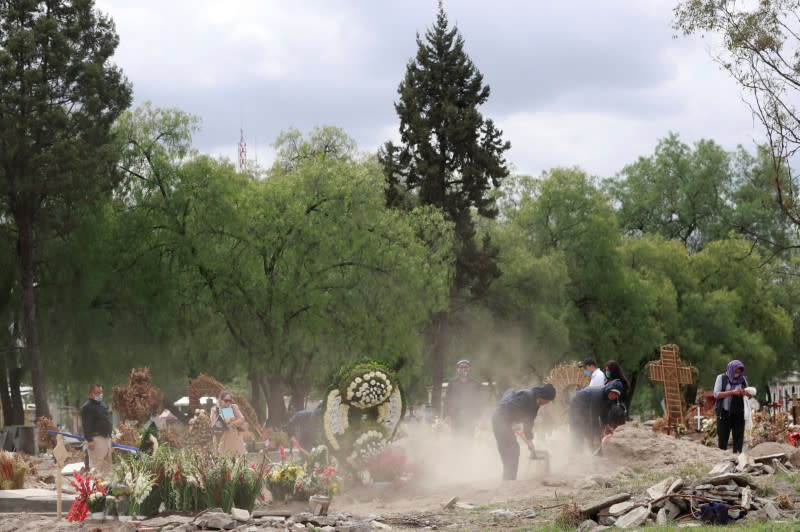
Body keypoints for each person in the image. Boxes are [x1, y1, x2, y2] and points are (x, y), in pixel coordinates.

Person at [491, 383, 556, 481]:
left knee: (511, 449)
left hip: (505, 421)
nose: (547, 403)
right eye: (548, 400)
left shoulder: (536, 403)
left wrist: (529, 440)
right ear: (543, 396)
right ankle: (509, 480)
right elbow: (508, 404)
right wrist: (512, 422)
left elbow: (529, 422)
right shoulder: (527, 396)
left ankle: (508, 478)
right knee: (511, 449)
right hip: (500, 419)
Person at [569, 379, 627, 452]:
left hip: (587, 407)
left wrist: (606, 425)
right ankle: (576, 452)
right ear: (609, 390)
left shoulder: (610, 398)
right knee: (578, 429)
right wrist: (596, 436)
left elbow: (605, 411)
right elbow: (594, 416)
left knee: (589, 429)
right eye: (613, 392)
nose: (614, 396)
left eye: (616, 394)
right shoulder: (598, 395)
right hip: (577, 405)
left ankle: (592, 451)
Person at [714, 359, 752, 454]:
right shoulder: (722, 378)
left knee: (738, 438)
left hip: (739, 413)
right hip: (724, 413)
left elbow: (749, 395)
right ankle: (721, 458)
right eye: (736, 371)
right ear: (731, 369)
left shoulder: (743, 380)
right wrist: (732, 392)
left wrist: (744, 393)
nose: (737, 374)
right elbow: (716, 394)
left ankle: (738, 458)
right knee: (723, 438)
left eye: (739, 372)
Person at [443, 359, 483, 437]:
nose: (463, 369)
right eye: (461, 367)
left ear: (469, 368)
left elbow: (479, 401)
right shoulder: (452, 383)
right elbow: (447, 399)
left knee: (469, 438)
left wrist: (478, 417)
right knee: (456, 438)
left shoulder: (475, 383)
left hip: (470, 416)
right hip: (455, 415)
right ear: (457, 369)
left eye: (465, 367)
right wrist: (446, 415)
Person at [80, 384, 113, 476]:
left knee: (107, 469)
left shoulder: (102, 405)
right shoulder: (87, 407)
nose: (100, 394)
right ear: (91, 393)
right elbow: (86, 425)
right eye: (98, 392)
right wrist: (89, 440)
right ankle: (95, 489)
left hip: (106, 439)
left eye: (101, 392)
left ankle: (105, 489)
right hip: (96, 440)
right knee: (96, 468)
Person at [209, 390, 246, 455]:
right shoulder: (214, 410)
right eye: (226, 400)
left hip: (233, 440)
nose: (228, 403)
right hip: (220, 440)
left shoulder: (233, 407)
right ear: (220, 400)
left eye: (230, 401)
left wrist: (232, 424)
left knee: (235, 459)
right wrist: (220, 410)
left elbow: (242, 419)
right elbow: (215, 426)